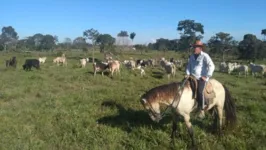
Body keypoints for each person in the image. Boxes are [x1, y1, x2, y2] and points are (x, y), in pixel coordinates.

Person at [185, 40, 215, 115]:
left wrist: (206, 76)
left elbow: (212, 66)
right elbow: (189, 66)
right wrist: (187, 74)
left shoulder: (205, 56)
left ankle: (202, 108)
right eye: (194, 47)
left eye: (197, 47)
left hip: (200, 78)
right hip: (191, 77)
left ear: (201, 48)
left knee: (199, 91)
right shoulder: (192, 56)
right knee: (184, 88)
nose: (195, 48)